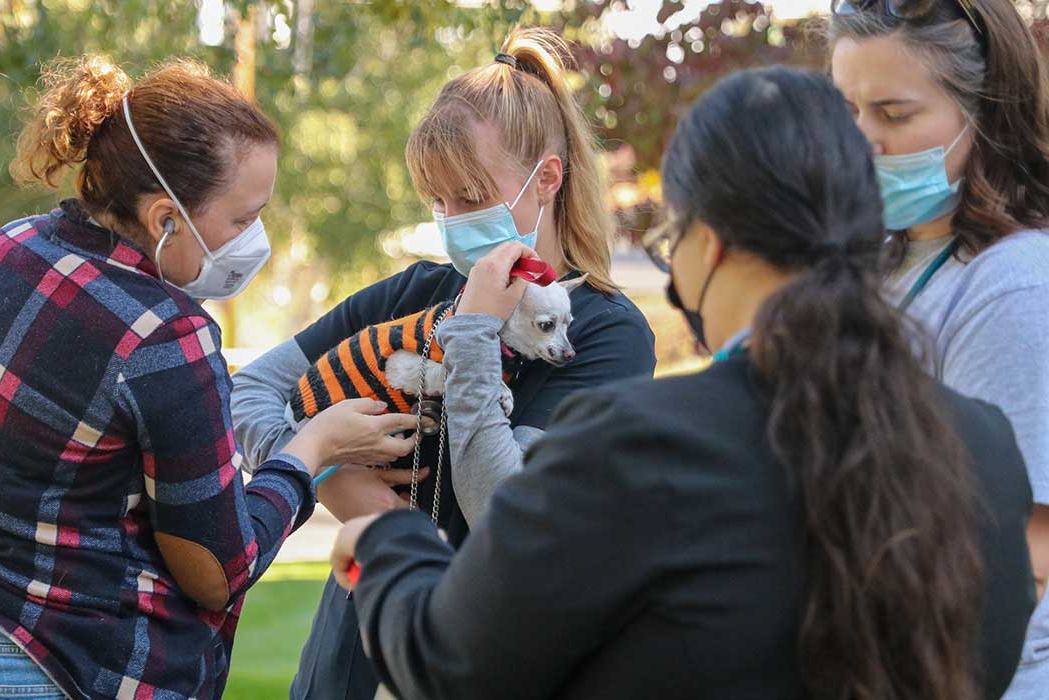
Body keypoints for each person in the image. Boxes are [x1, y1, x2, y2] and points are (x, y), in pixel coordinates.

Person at [329, 66, 1038, 700]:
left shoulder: (629, 444)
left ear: (711, 242)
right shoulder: (986, 446)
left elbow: (450, 662)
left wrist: (385, 541)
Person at [0, 56, 418, 700]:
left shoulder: (5, 250)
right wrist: (313, 448)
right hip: (50, 671)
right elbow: (217, 567)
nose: (255, 240)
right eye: (242, 220)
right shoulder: (165, 334)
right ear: (164, 219)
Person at [231, 27, 656, 700]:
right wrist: (323, 468)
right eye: (438, 199)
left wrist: (476, 330)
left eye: (468, 194)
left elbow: (507, 511)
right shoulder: (415, 292)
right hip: (348, 661)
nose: (449, 218)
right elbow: (248, 390)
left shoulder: (607, 336)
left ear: (546, 179)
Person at [828, 1, 1049, 693]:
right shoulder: (885, 256)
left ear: (989, 113)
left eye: (893, 115)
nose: (862, 140)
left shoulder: (1012, 287)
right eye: (847, 110)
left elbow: (1024, 554)